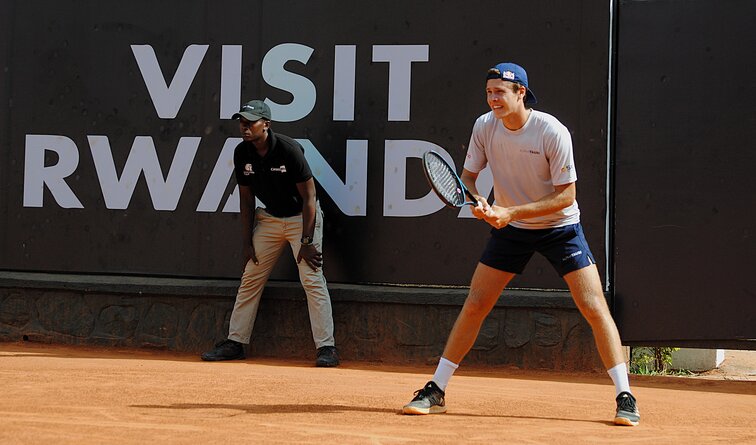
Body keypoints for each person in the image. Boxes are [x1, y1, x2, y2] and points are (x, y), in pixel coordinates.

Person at [402, 63, 639, 426]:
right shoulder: (484, 126)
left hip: (560, 227)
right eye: (488, 92)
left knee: (593, 306)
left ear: (520, 93)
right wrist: (480, 203)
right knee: (477, 302)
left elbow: (567, 196)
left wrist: (510, 211)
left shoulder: (551, 131)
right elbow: (466, 179)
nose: (493, 99)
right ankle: (436, 389)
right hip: (512, 228)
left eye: (500, 92)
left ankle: (625, 396)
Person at [201, 99, 339, 367]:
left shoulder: (288, 150)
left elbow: (310, 197)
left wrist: (308, 242)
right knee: (250, 277)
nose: (244, 127)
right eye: (242, 122)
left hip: (302, 219)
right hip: (270, 220)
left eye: (250, 122)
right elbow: (246, 200)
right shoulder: (242, 153)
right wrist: (246, 242)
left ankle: (327, 348)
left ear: (266, 124)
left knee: (311, 279)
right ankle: (236, 342)